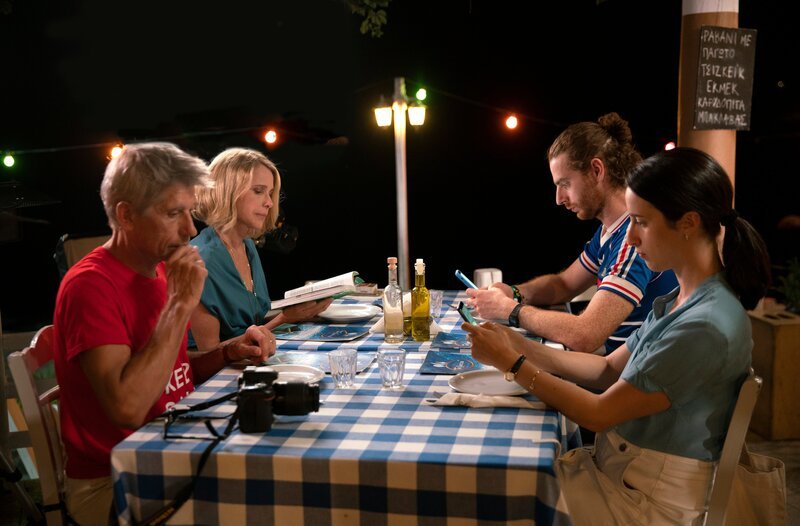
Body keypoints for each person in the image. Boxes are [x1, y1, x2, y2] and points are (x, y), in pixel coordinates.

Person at [464, 147, 771, 523]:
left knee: (494, 494)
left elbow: (599, 413)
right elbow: (607, 369)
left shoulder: (705, 325)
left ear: (688, 223)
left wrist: (512, 362)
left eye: (640, 221)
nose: (630, 237)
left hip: (653, 503)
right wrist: (519, 344)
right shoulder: (685, 297)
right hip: (629, 475)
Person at [52, 142, 276, 525]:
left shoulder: (157, 270)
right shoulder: (91, 286)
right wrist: (179, 305)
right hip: (116, 479)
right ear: (126, 215)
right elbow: (127, 407)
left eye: (190, 212)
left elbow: (168, 368)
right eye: (174, 214)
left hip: (170, 448)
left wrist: (227, 352)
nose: (190, 230)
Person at [466, 112, 677, 354]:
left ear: (597, 170)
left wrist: (510, 310)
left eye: (564, 184)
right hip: (611, 369)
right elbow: (565, 284)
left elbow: (585, 335)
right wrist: (514, 292)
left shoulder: (632, 240)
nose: (559, 199)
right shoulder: (609, 231)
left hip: (620, 380)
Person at [189, 147, 331, 353]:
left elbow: (252, 321)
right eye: (258, 191)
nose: (269, 202)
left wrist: (297, 311)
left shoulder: (247, 246)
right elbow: (208, 355)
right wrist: (283, 318)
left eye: (270, 193)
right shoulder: (201, 260)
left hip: (255, 361)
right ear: (228, 191)